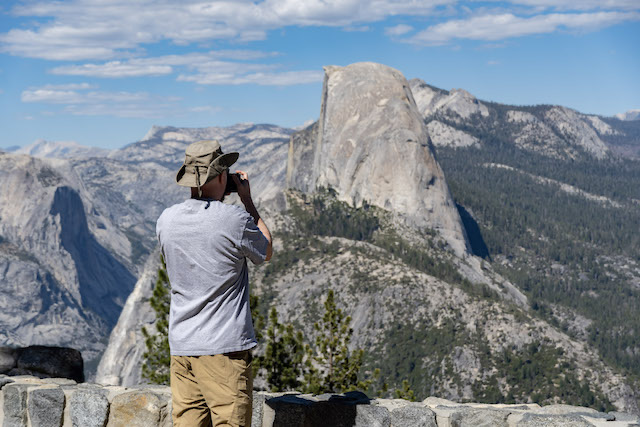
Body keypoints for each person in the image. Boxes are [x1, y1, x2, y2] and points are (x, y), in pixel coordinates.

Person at [156, 139, 272, 427]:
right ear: (222, 175)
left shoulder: (166, 220)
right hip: (223, 350)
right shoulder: (234, 219)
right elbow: (266, 250)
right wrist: (247, 201)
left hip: (183, 348)